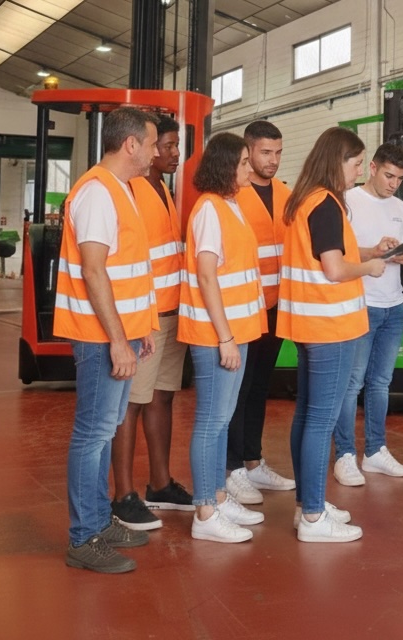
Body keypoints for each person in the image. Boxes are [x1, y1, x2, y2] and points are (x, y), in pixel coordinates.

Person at [56, 107, 161, 573]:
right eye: (154, 144)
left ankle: (99, 521)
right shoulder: (98, 192)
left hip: (120, 334)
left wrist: (138, 332)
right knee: (93, 434)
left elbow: (128, 271)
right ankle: (84, 538)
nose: (158, 153)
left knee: (104, 431)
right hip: (100, 337)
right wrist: (119, 339)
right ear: (131, 144)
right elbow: (94, 270)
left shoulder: (122, 189)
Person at [278, 127, 386, 542]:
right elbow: (335, 268)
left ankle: (309, 506)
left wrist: (370, 252)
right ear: (337, 160)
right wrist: (370, 268)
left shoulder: (305, 200)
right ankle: (312, 517)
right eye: (357, 163)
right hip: (331, 327)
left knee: (308, 415)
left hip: (311, 324)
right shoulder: (324, 204)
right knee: (320, 420)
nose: (360, 171)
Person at [178, 132, 268, 543]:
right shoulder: (210, 210)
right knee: (211, 422)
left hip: (238, 331)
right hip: (219, 335)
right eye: (244, 162)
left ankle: (217, 494)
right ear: (225, 165)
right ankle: (205, 511)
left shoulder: (230, 205)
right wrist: (225, 338)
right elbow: (207, 275)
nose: (250, 168)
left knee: (221, 420)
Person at [109, 115, 192, 531]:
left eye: (176, 145)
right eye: (167, 145)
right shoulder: (133, 189)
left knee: (162, 397)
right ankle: (123, 495)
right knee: (132, 403)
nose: (174, 152)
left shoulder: (163, 188)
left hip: (170, 311)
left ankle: (160, 484)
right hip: (145, 316)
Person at [332, 143, 403, 486]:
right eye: (389, 175)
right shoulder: (348, 202)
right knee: (352, 383)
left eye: (400, 178)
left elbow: (399, 253)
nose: (394, 184)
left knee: (381, 383)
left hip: (392, 304)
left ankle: (376, 450)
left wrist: (402, 256)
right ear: (373, 169)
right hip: (359, 303)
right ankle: (345, 455)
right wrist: (373, 252)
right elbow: (338, 254)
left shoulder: (399, 208)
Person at [223, 121, 295, 507]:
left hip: (276, 307)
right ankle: (232, 467)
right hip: (242, 310)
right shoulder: (231, 194)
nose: (273, 160)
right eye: (266, 152)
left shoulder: (286, 195)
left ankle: (252, 460)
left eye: (278, 152)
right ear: (248, 152)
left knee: (259, 389)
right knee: (239, 389)